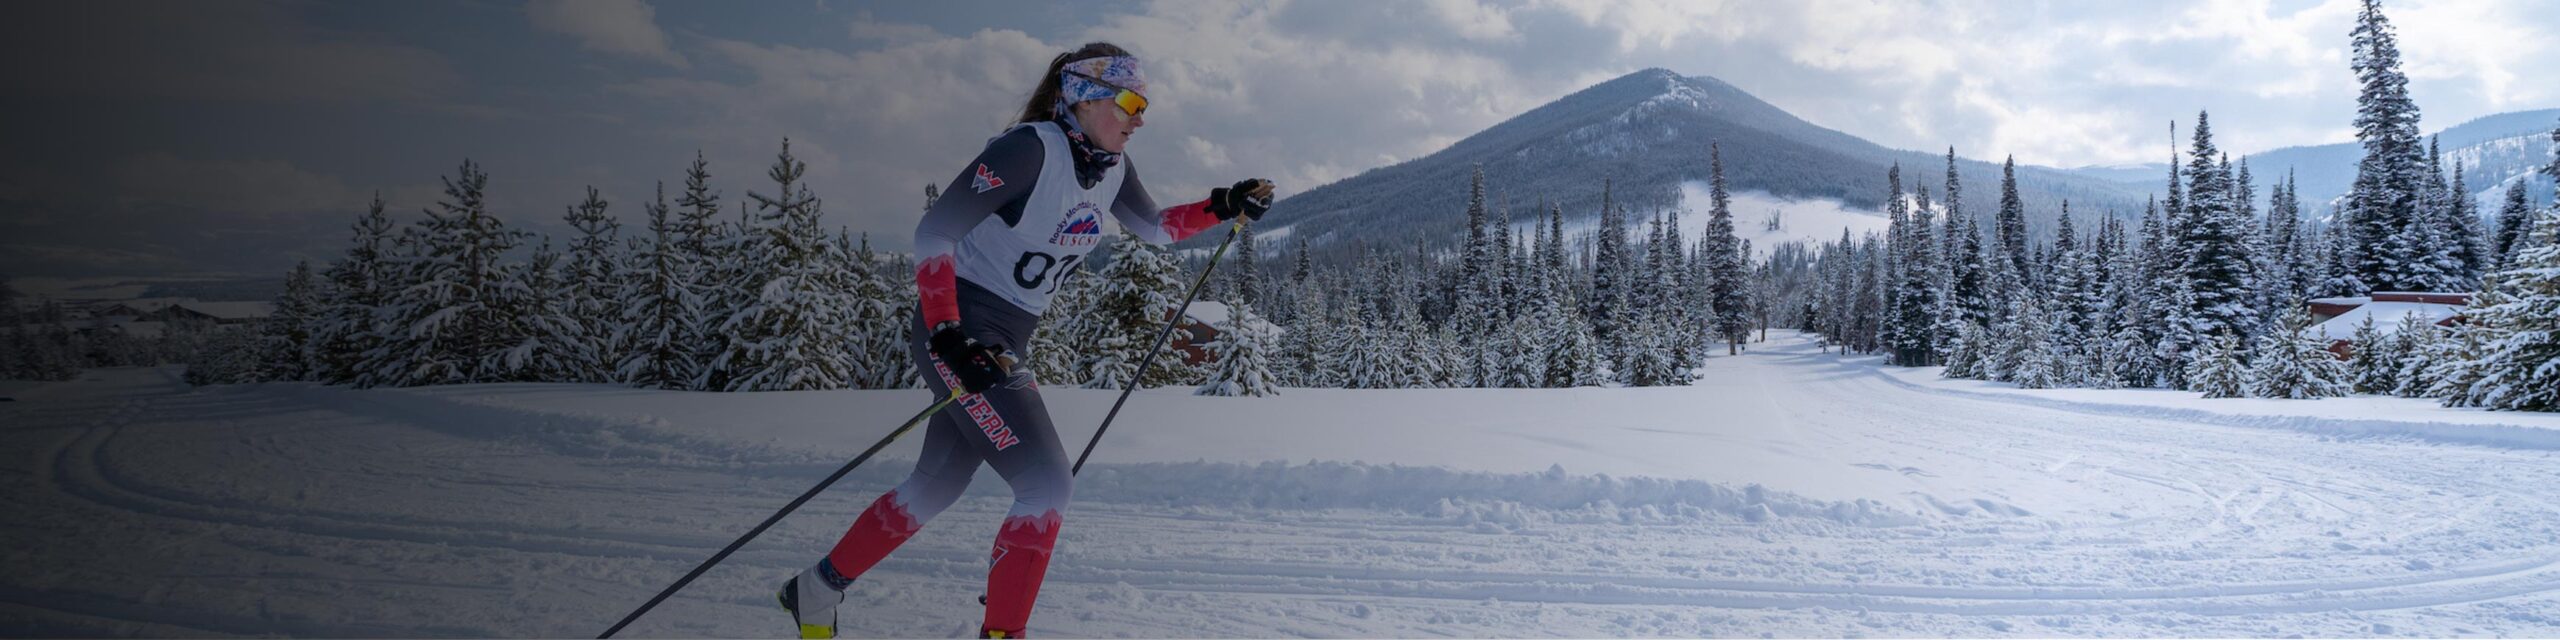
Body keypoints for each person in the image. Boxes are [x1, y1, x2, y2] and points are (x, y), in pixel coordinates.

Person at [778, 42, 1275, 639]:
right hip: (962, 330)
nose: (1140, 117)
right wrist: (947, 332)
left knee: (934, 485)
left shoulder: (1108, 165)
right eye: (1129, 100)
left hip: (1003, 337)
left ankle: (815, 590)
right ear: (1083, 96)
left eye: (1144, 104)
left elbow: (1156, 227)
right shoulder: (1027, 150)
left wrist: (1222, 205)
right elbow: (935, 232)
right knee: (1045, 484)